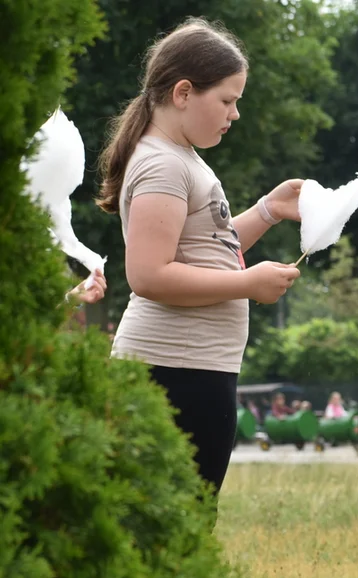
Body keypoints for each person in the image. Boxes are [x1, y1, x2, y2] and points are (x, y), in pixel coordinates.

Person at [99, 18, 302, 497]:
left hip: (194, 370)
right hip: (171, 373)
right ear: (184, 92)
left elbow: (208, 251)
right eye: (228, 101)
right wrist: (249, 284)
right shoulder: (163, 164)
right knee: (174, 524)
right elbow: (148, 276)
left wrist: (268, 211)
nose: (234, 115)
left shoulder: (181, 157)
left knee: (187, 520)